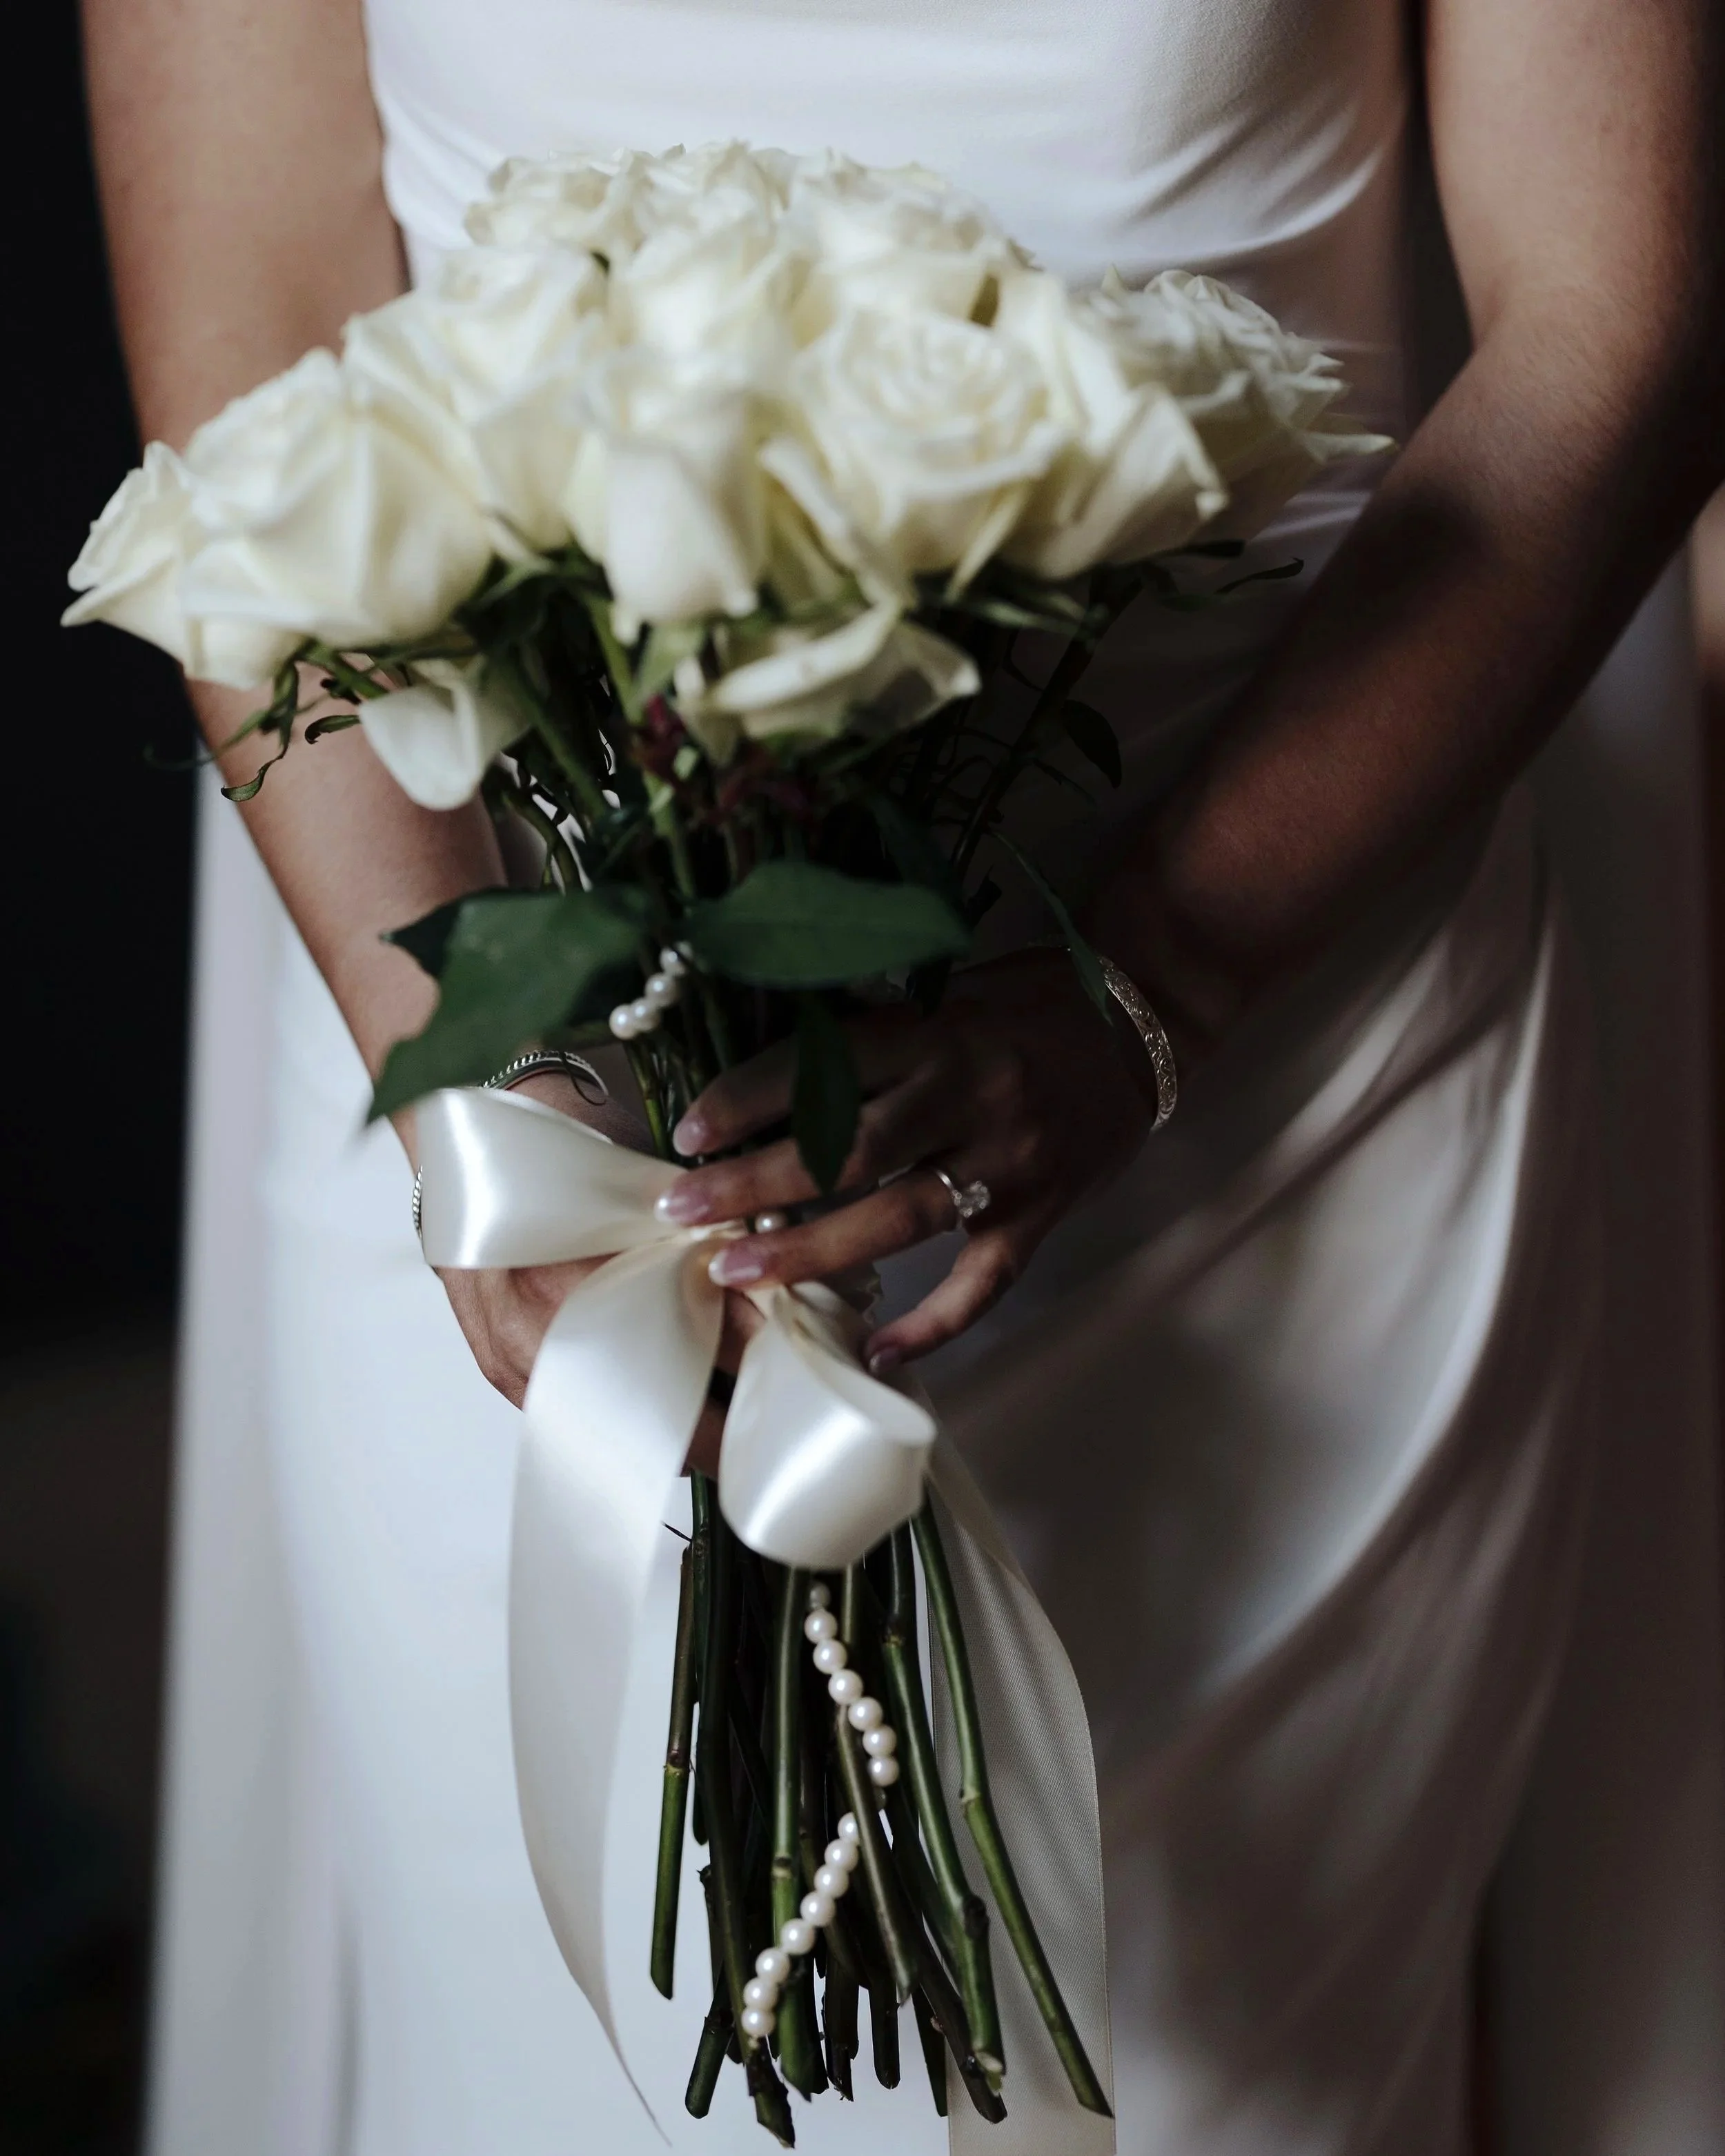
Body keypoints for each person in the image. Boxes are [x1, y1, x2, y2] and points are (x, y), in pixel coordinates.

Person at [78, 0, 1724, 2151]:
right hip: (513, 1056)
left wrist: (1150, 978)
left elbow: (1615, 312)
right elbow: (262, 324)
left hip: (1277, 1082)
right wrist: (475, 1088)